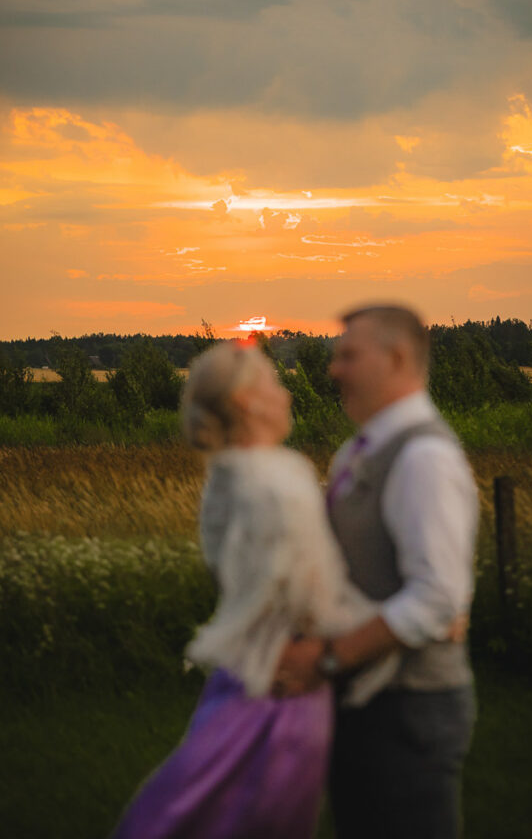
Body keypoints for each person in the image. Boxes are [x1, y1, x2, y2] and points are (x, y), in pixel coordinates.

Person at [110, 339, 398, 839]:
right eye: (275, 383)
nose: (287, 394)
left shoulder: (227, 474)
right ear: (246, 401)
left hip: (239, 675)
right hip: (282, 691)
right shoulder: (275, 485)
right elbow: (311, 601)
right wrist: (390, 624)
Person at [276, 304, 478, 839]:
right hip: (362, 702)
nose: (333, 369)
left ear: (397, 358)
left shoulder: (423, 459)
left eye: (348, 355)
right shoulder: (356, 453)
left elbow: (436, 598)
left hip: (408, 711)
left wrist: (324, 658)